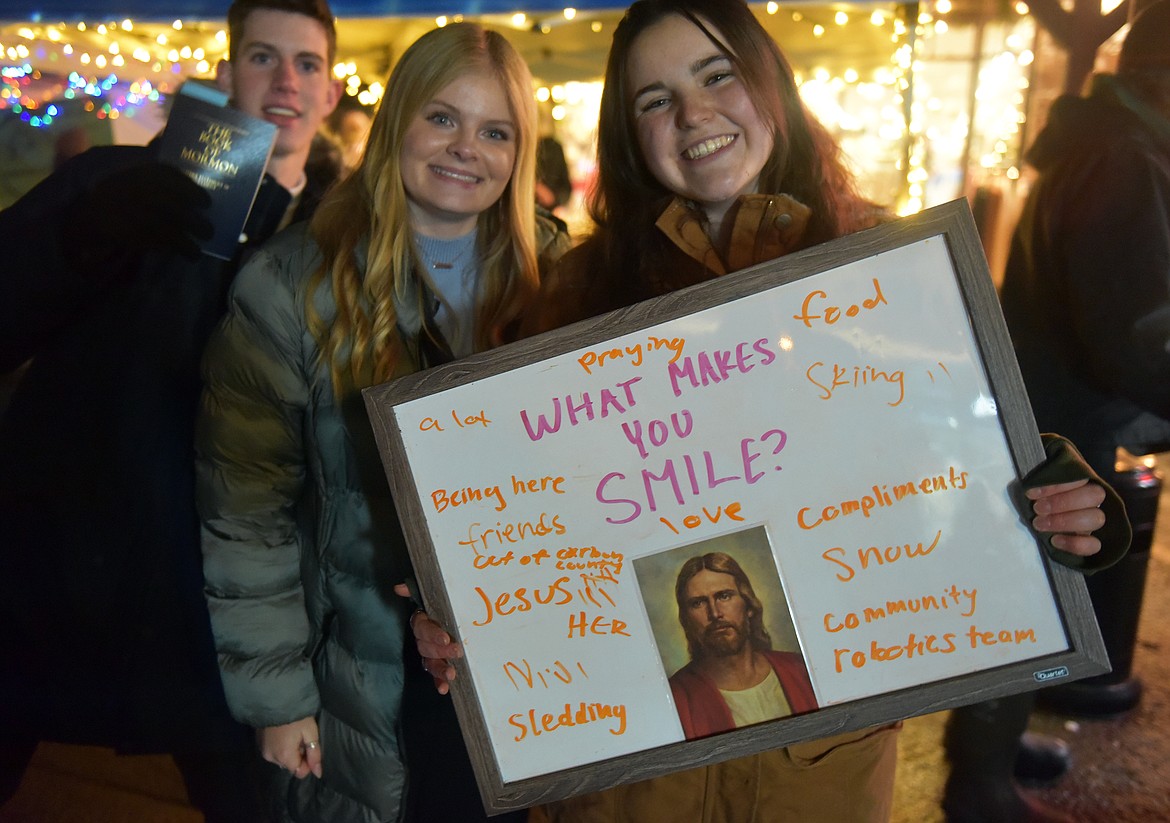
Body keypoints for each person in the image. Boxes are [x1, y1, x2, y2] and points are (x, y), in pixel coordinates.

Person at [409, 3, 1129, 821]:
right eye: (655, 98)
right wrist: (464, 596)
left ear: (770, 85)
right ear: (628, 132)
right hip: (632, 779)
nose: (693, 113)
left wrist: (1061, 500)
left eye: (718, 75)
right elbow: (522, 524)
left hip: (823, 766)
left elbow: (973, 442)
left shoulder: (892, 273)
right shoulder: (575, 298)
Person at [194, 21, 571, 823]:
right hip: (362, 678)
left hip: (521, 680)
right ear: (397, 120)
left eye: (494, 130)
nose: (465, 146)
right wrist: (277, 699)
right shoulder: (289, 286)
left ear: (519, 151)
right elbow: (245, 508)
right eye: (443, 118)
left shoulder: (558, 279)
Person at [0, 1, 342, 820]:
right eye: (263, 57)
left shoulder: (344, 235)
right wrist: (81, 236)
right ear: (226, 76)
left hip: (221, 609)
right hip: (49, 576)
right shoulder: (119, 184)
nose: (285, 81)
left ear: (330, 91)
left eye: (306, 63)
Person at [946, 4, 1170, 822]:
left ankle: (993, 748)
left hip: (1050, 407)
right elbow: (1138, 335)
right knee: (1025, 597)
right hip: (1057, 418)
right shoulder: (1124, 156)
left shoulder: (1107, 142)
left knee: (1035, 589)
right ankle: (978, 781)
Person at [670, 552, 817, 739]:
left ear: (747, 605)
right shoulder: (677, 697)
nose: (715, 614)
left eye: (724, 596)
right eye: (698, 603)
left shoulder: (799, 669)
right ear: (686, 618)